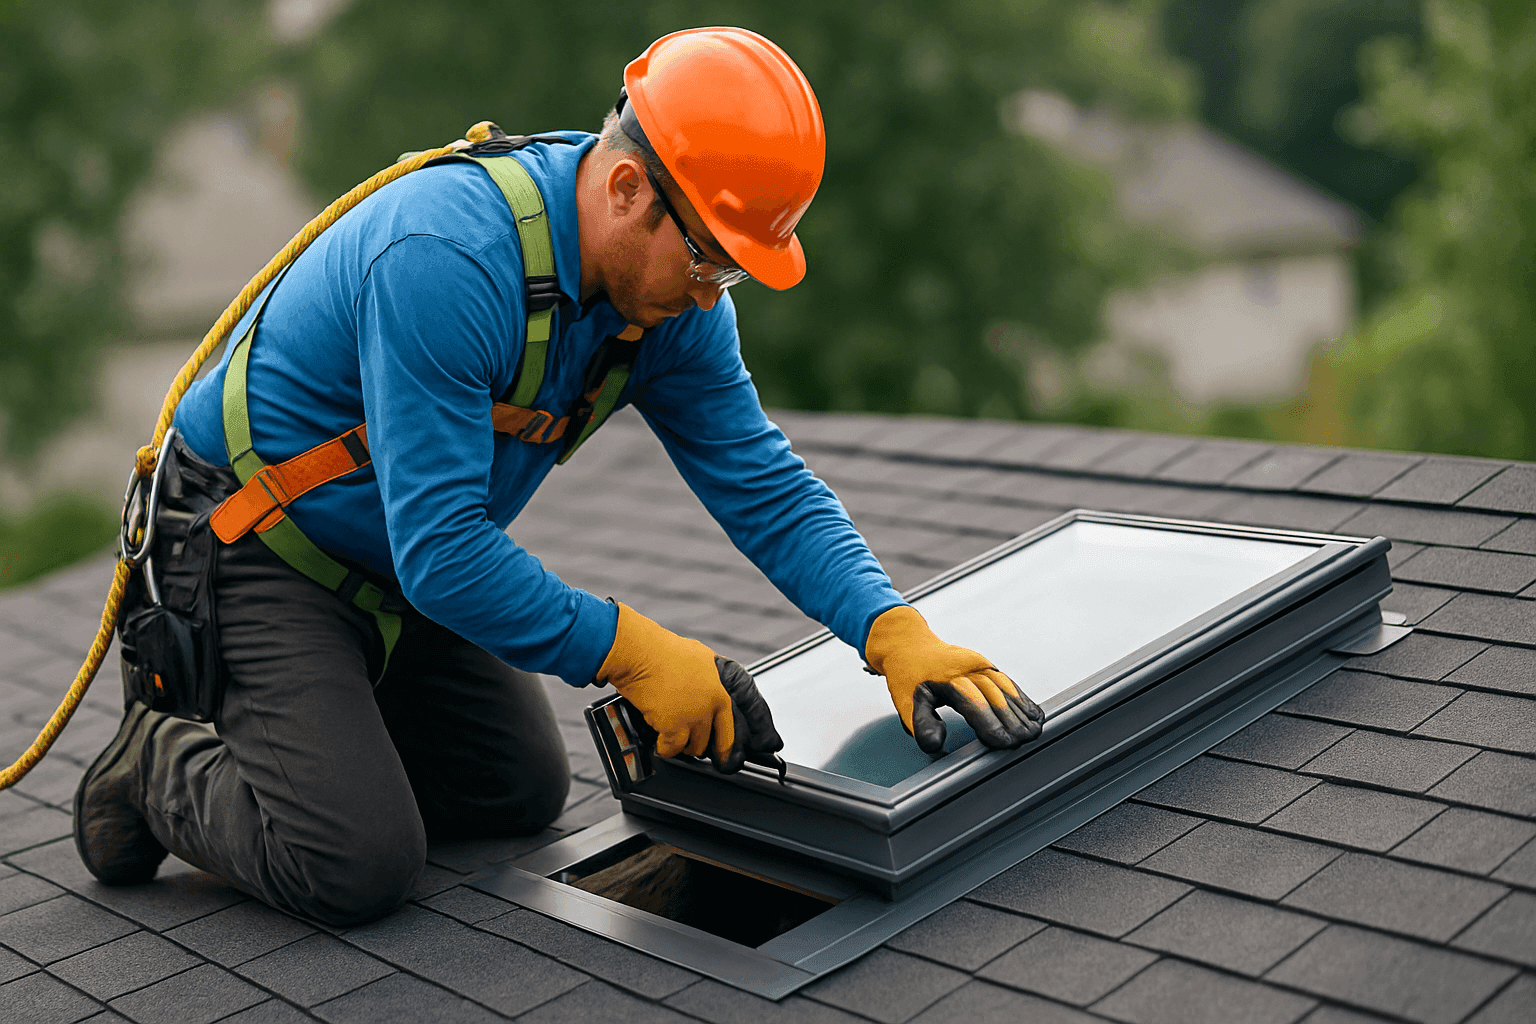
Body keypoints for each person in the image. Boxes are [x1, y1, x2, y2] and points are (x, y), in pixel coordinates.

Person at [75, 27, 1044, 927]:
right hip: (261, 546)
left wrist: (889, 628)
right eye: (705, 258)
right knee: (355, 864)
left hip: (398, 557)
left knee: (516, 794)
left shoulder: (672, 305)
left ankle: (324, 741)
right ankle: (156, 761)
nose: (710, 294)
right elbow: (446, 551)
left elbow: (763, 482)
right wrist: (633, 650)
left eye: (731, 272)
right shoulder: (446, 257)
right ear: (626, 188)